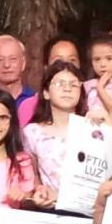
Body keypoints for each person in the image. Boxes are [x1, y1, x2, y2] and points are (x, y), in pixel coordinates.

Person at [21, 61, 88, 196]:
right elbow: (33, 177)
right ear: (46, 93)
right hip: (50, 209)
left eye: (73, 85)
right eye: (59, 84)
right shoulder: (32, 133)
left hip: (87, 209)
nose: (67, 89)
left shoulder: (92, 130)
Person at [84, 35, 112, 122]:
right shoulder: (90, 83)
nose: (103, 64)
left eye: (109, 59)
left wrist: (100, 89)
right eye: (97, 59)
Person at [0, 34, 33, 103]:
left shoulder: (35, 101)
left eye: (13, 59)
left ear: (23, 63)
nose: (7, 65)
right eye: (0, 60)